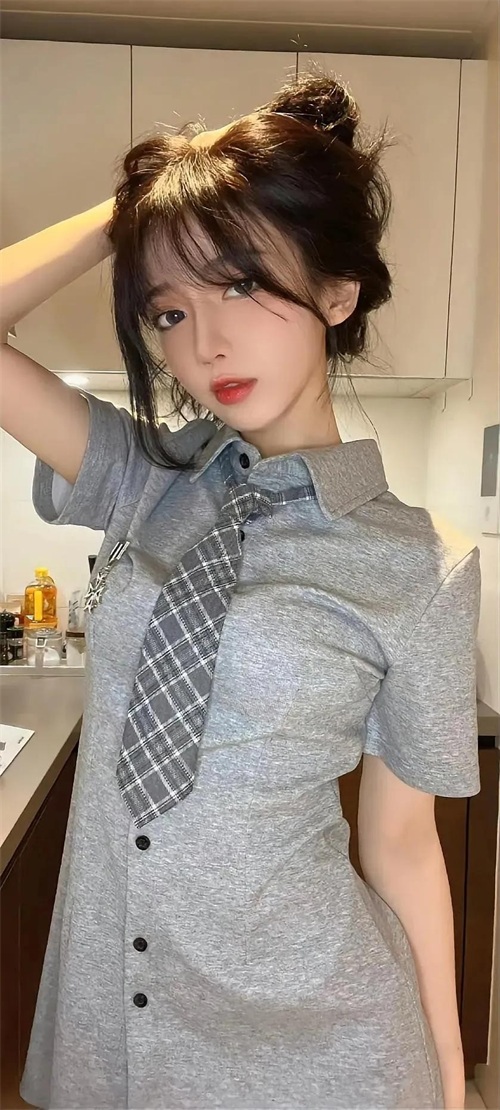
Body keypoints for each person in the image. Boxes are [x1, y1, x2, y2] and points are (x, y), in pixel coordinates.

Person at [0, 72, 481, 1110]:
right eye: (168, 309)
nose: (203, 342)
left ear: (337, 293)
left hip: (320, 1030)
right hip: (114, 1015)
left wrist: (447, 1078)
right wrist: (149, 203)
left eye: (240, 284)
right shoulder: (147, 482)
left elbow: (401, 844)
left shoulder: (420, 564)